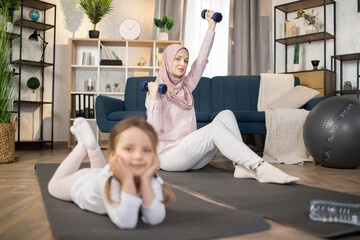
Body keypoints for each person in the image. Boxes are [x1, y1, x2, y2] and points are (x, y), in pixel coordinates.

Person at [145, 10, 299, 184]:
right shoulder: (156, 91)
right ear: (167, 61)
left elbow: (201, 61)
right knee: (215, 129)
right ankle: (259, 167)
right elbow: (153, 131)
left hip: (193, 155)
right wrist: (153, 98)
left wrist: (212, 26)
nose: (182, 64)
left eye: (185, 60)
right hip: (169, 157)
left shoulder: (185, 87)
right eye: (177, 59)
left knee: (226, 114)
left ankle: (241, 167)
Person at [48, 117, 174, 229]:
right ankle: (82, 147)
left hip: (101, 173)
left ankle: (93, 148)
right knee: (53, 186)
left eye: (146, 150)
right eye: (129, 148)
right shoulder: (108, 179)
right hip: (83, 183)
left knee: (102, 172)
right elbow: (126, 222)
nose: (138, 156)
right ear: (113, 155)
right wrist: (128, 180)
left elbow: (155, 218)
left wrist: (146, 180)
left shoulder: (150, 177)